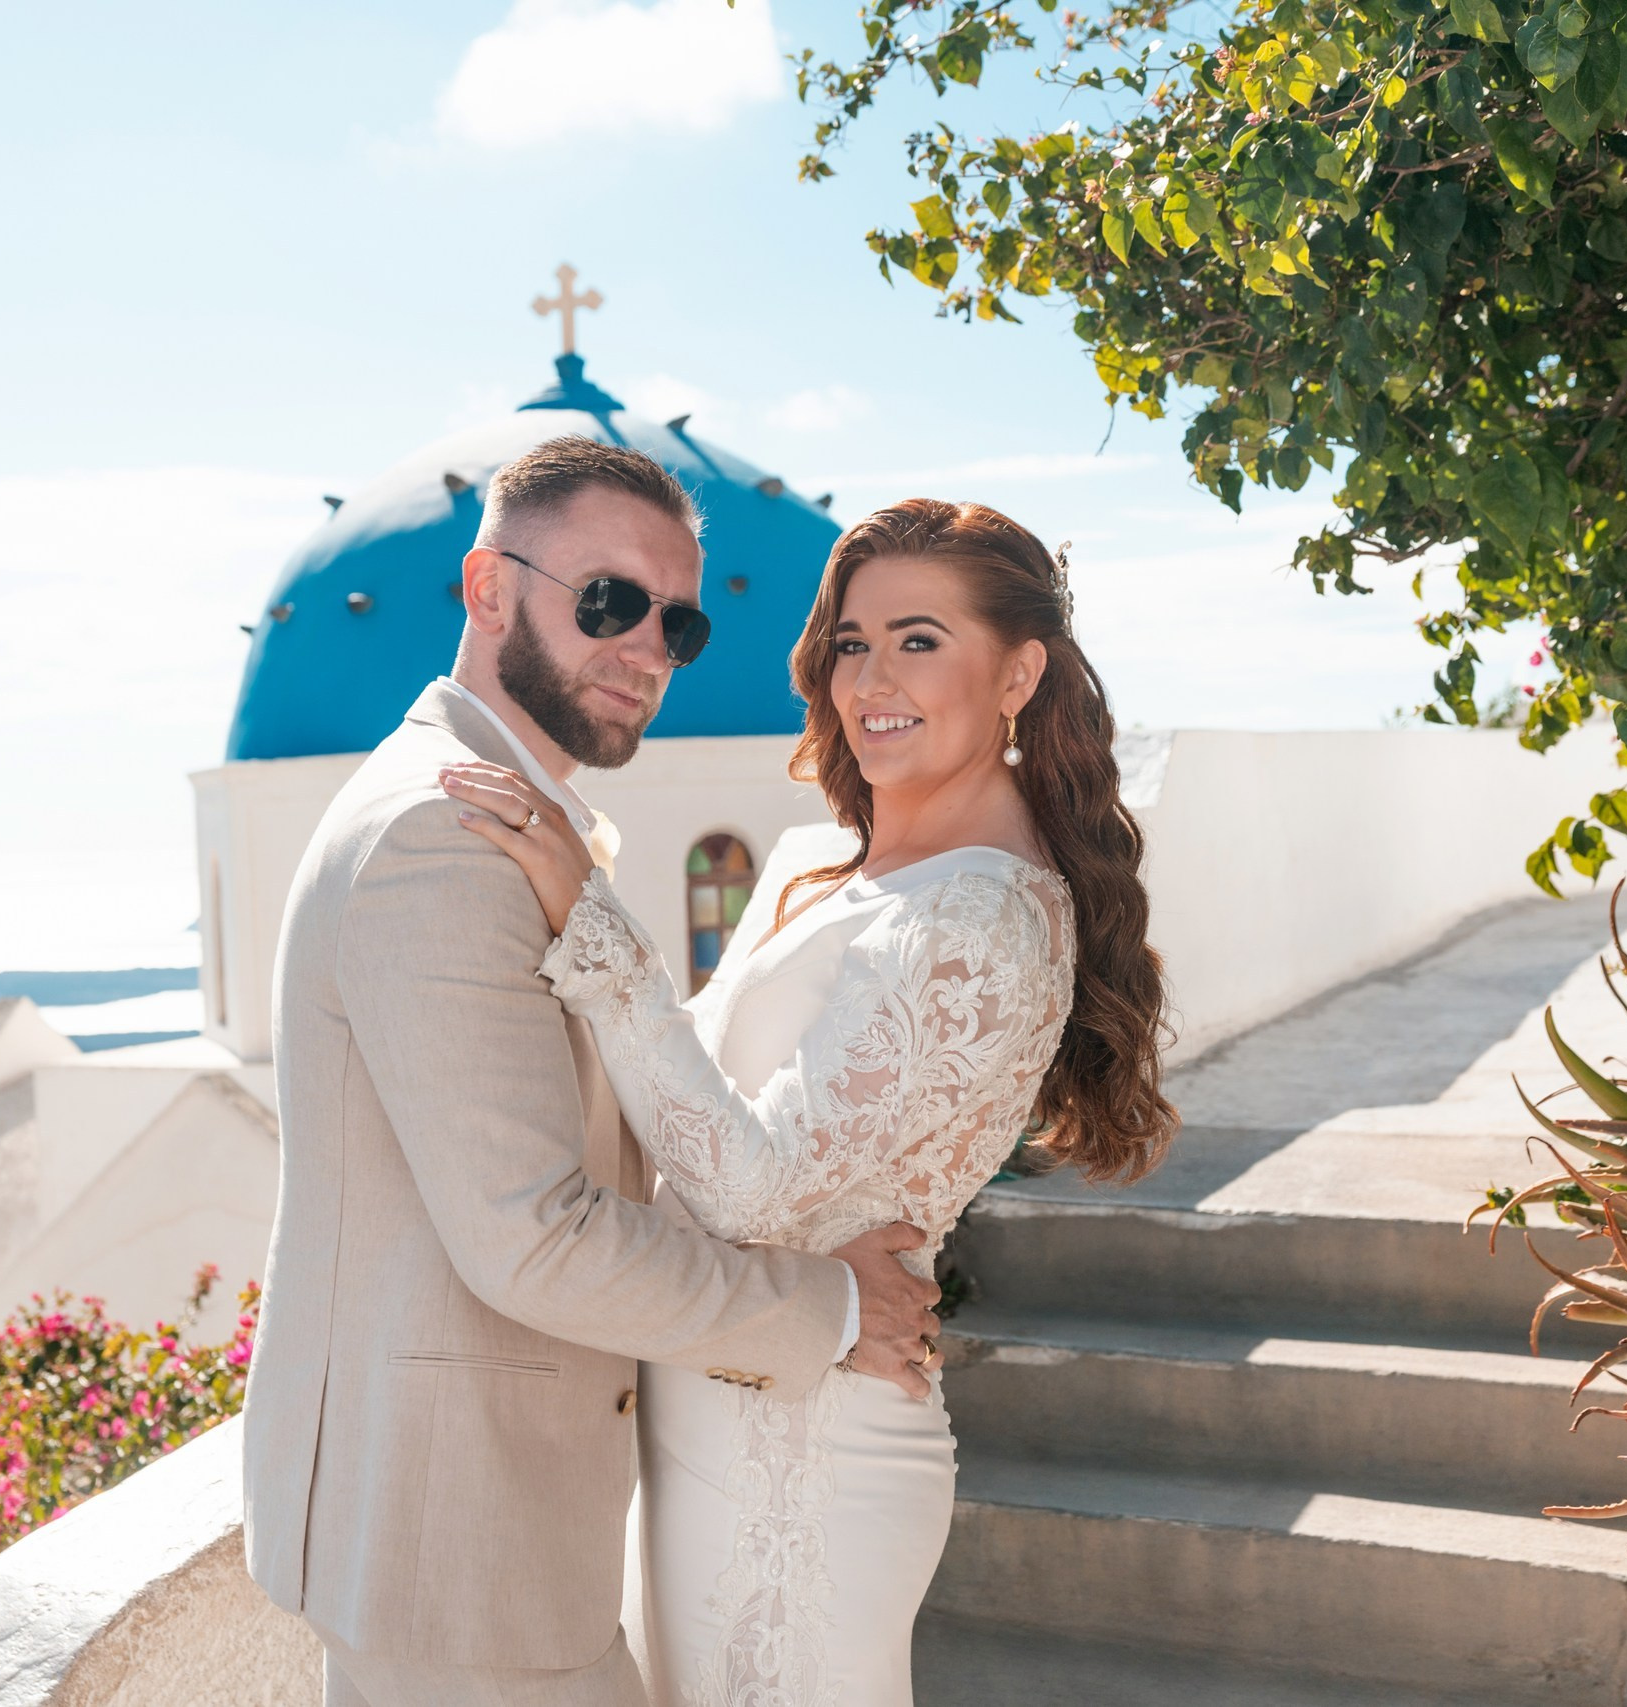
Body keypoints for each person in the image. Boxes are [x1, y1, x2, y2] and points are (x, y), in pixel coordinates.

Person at [239, 437, 947, 1707]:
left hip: (480, 1536)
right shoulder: (441, 838)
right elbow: (529, 1238)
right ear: (488, 590)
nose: (645, 650)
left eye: (676, 623)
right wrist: (830, 1311)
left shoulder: (502, 814)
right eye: (607, 601)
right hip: (455, 1555)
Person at [442, 496, 1178, 1706]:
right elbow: (685, 1104)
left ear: (1020, 672)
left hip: (815, 1457)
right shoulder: (811, 864)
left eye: (919, 639)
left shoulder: (985, 920)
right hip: (700, 1401)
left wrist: (592, 912)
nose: (869, 678)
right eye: (850, 641)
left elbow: (747, 1185)